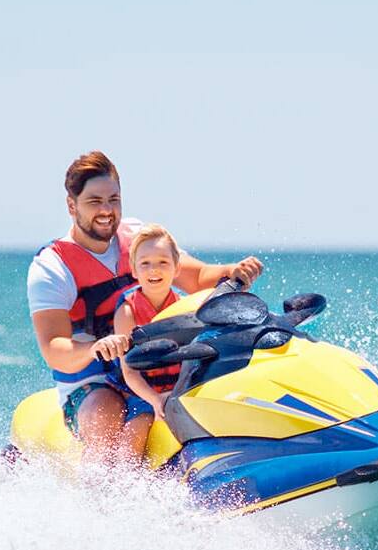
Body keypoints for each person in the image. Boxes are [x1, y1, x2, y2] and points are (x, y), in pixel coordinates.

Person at [26, 151, 263, 462]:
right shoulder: (52, 267)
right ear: (72, 206)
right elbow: (54, 349)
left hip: (153, 367)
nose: (107, 210)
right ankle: (103, 501)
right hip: (94, 382)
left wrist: (234, 271)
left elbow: (196, 277)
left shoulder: (139, 238)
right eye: (95, 201)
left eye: (114, 199)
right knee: (105, 416)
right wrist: (96, 347)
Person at [113, 224, 185, 458]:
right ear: (134, 270)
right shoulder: (127, 311)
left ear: (177, 267)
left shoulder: (184, 308)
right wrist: (155, 400)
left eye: (163, 262)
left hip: (177, 387)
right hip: (140, 390)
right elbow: (129, 372)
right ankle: (125, 481)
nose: (154, 269)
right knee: (140, 424)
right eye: (145, 263)